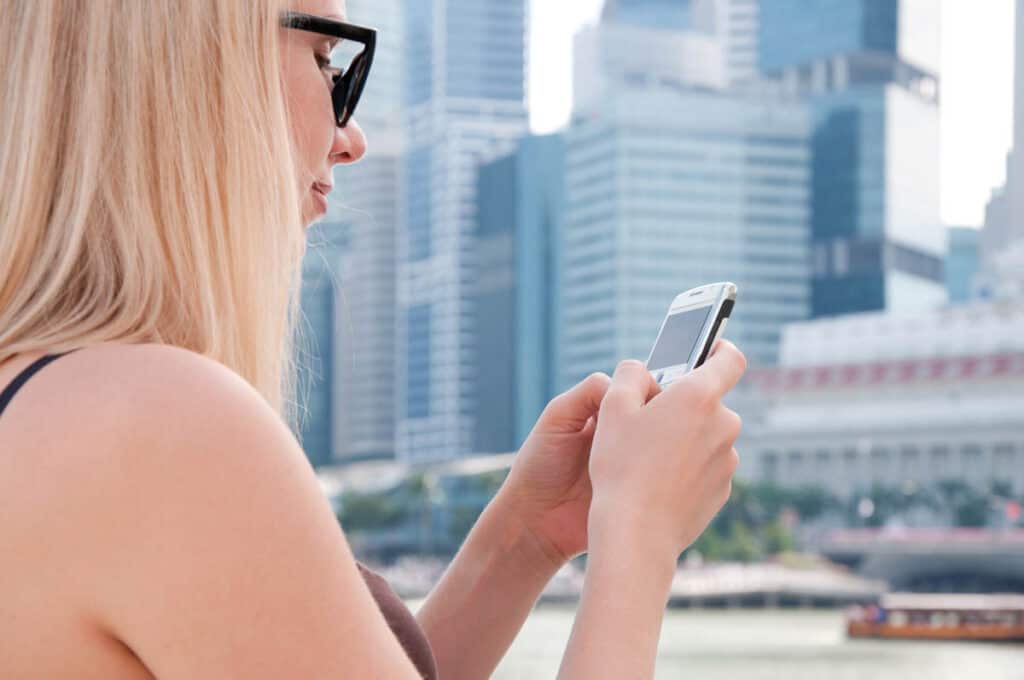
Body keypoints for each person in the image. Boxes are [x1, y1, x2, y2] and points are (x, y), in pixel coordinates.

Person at [0, 0, 747, 677]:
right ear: (192, 65)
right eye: (328, 62)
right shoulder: (160, 423)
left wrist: (526, 538)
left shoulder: (49, 401)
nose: (350, 137)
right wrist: (639, 536)